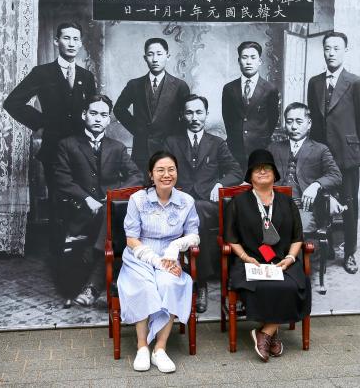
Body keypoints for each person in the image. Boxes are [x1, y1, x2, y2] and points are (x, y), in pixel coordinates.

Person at [53, 95, 142, 307]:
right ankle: (102, 279)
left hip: (108, 209)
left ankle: (92, 278)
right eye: (93, 113)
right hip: (80, 211)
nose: (98, 119)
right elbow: (62, 180)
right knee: (113, 220)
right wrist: (87, 199)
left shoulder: (117, 147)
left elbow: (136, 176)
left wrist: (113, 195)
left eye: (103, 115)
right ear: (84, 115)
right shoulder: (67, 144)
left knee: (110, 212)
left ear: (108, 120)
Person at [223, 149, 312, 362]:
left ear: (274, 173)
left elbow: (297, 237)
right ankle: (271, 334)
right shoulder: (238, 202)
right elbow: (231, 238)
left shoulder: (287, 202)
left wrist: (290, 258)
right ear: (250, 175)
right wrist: (245, 257)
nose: (262, 171)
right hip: (250, 261)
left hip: (282, 261)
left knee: (293, 284)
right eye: (257, 168)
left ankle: (265, 332)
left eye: (267, 167)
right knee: (264, 285)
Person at [117, 151, 200, 373]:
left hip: (169, 259)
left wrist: (174, 249)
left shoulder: (186, 201)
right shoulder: (138, 200)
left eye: (171, 169)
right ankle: (142, 346)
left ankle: (160, 349)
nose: (166, 175)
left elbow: (194, 235)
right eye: (160, 170)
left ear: (177, 173)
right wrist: (154, 259)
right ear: (151, 175)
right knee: (143, 287)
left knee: (170, 284)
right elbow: (131, 239)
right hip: (140, 257)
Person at [163, 94, 243, 313]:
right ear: (182, 115)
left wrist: (220, 183)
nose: (194, 117)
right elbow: (161, 172)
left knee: (198, 212)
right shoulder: (171, 142)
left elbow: (236, 170)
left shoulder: (217, 143)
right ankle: (199, 282)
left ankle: (200, 283)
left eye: (199, 112)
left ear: (206, 115)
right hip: (178, 203)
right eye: (189, 112)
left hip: (207, 204)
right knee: (193, 214)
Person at [3, 22, 97, 200]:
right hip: (53, 148)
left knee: (83, 201)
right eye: (66, 38)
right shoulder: (42, 73)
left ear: (80, 44)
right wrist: (41, 123)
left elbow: (93, 110)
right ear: (56, 41)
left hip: (82, 149)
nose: (71, 43)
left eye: (75, 39)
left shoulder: (87, 77)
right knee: (57, 203)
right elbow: (12, 102)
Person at [307, 31, 360, 274]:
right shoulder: (314, 83)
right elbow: (312, 119)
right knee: (322, 202)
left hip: (347, 156)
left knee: (348, 204)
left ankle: (350, 253)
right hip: (321, 155)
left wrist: (353, 148)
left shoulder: (355, 82)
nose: (331, 53)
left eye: (336, 48)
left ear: (345, 51)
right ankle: (327, 248)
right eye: (327, 48)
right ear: (323, 51)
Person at [113, 38, 190, 175]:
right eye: (150, 54)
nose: (155, 59)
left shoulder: (180, 86)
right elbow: (119, 109)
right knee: (141, 187)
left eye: (159, 54)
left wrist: (173, 136)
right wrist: (137, 129)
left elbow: (186, 116)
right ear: (145, 58)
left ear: (168, 56)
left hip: (169, 148)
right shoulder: (134, 85)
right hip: (141, 150)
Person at [267, 102, 343, 235]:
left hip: (304, 208)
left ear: (309, 124)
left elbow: (335, 175)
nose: (294, 126)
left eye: (299, 121)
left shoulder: (320, 149)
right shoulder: (273, 148)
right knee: (259, 230)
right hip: (274, 205)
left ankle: (289, 256)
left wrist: (316, 185)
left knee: (294, 231)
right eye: (289, 121)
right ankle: (269, 256)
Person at [222, 41, 280, 171]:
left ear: (259, 61)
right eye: (244, 57)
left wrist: (260, 137)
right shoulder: (229, 88)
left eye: (253, 57)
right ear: (239, 61)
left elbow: (272, 119)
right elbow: (227, 118)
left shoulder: (270, 89)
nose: (249, 62)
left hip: (260, 148)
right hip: (235, 148)